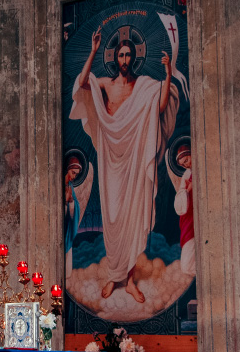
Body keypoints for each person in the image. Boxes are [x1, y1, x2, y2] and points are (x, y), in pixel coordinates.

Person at [69, 26, 179, 303]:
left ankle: (128, 280)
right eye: (121, 55)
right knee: (113, 217)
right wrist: (93, 50)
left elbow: (162, 106)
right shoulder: (105, 83)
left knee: (131, 217)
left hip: (133, 158)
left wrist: (167, 74)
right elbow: (82, 83)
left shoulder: (143, 86)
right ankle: (113, 274)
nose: (126, 59)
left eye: (129, 55)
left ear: (134, 57)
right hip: (110, 158)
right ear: (115, 58)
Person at [173, 144, 195, 275]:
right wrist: (188, 190)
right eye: (182, 164)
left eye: (186, 160)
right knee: (186, 267)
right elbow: (179, 203)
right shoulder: (187, 175)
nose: (185, 165)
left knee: (187, 266)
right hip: (190, 222)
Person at [64, 156, 82, 279]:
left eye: (76, 174)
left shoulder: (70, 186)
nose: (74, 176)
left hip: (67, 225)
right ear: (68, 170)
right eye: (73, 172)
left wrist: (71, 202)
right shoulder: (59, 183)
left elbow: (75, 205)